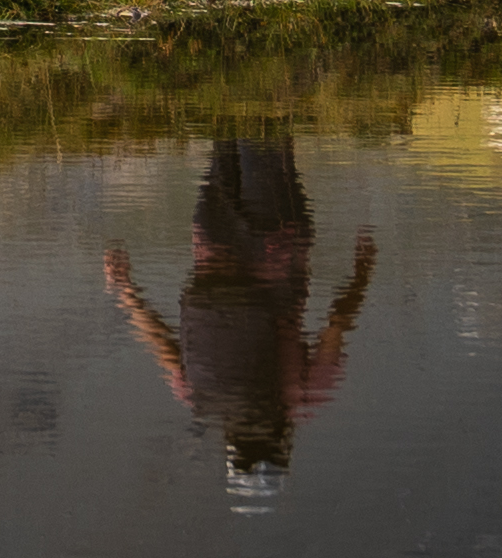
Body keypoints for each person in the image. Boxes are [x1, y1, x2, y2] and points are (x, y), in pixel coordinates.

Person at [104, 135, 376, 502]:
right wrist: (125, 289)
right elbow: (166, 345)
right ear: (231, 449)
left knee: (266, 125)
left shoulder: (302, 400)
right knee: (226, 127)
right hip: (213, 241)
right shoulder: (200, 396)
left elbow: (337, 324)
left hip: (277, 238)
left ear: (284, 451)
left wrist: (362, 273)